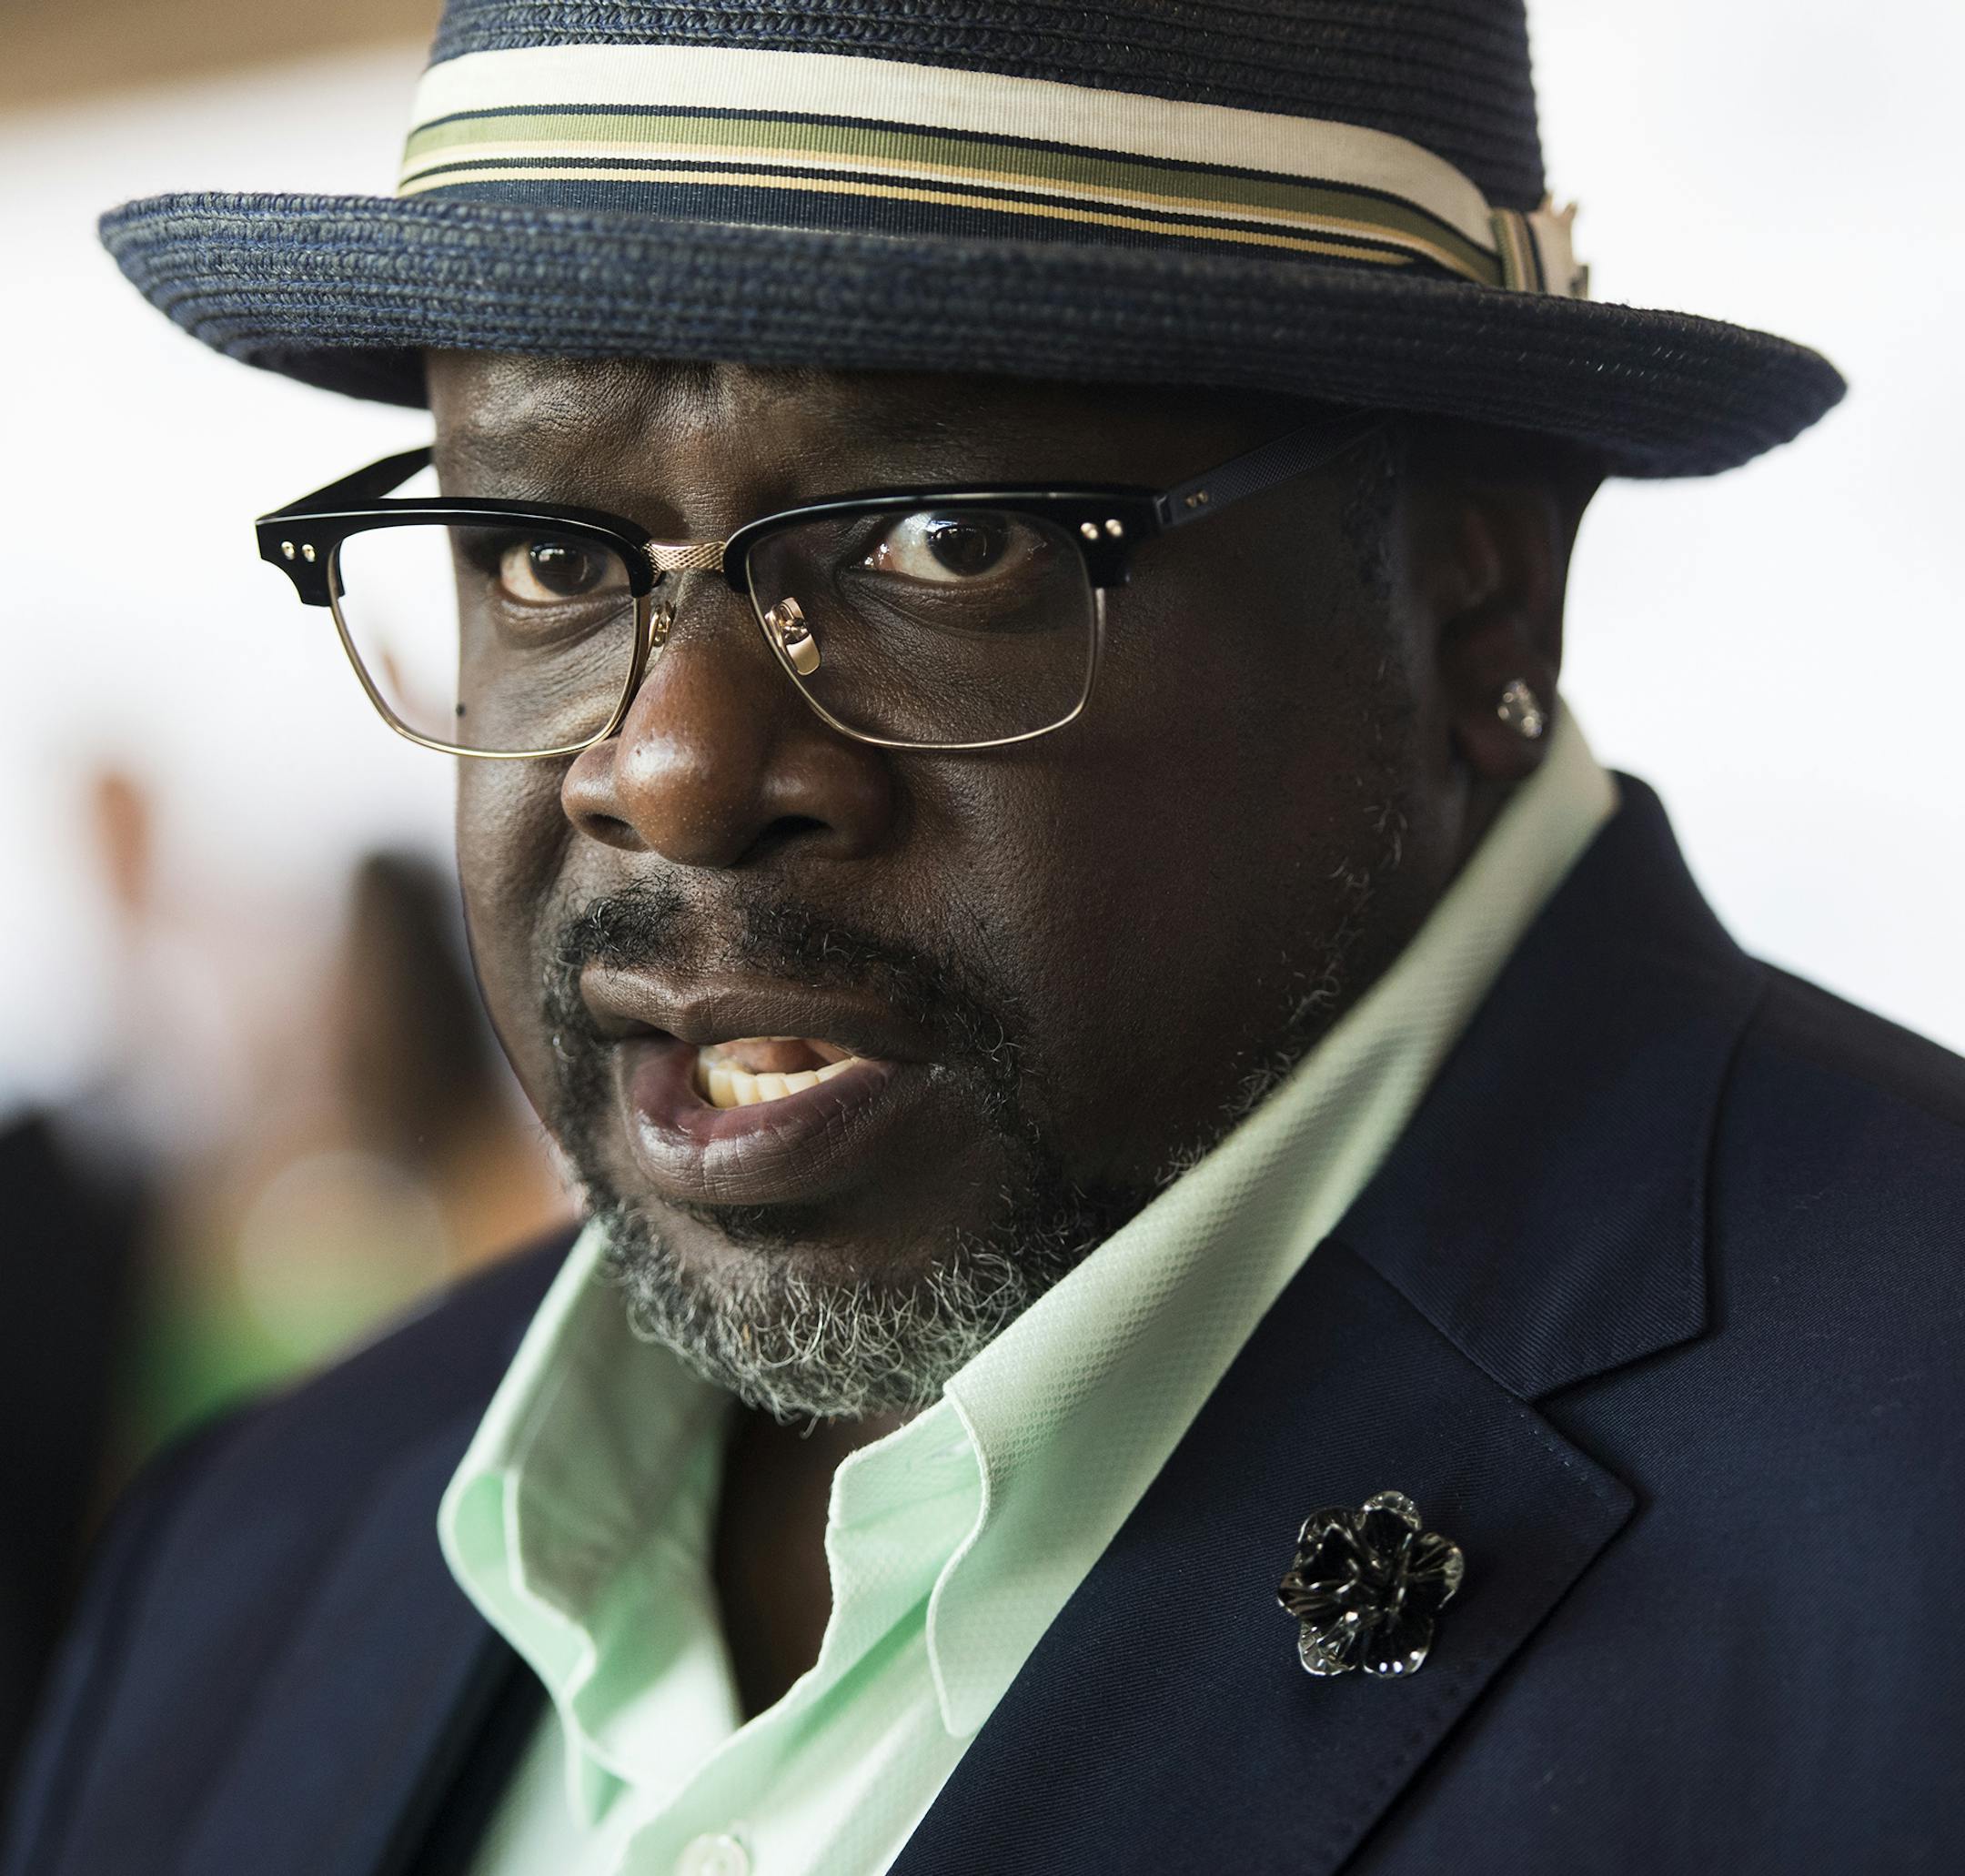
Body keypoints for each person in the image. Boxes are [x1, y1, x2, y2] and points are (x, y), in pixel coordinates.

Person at [7, 3, 1961, 1872]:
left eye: (943, 542)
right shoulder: (248, 1556)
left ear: (1481, 594)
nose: (670, 768)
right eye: (544, 555)